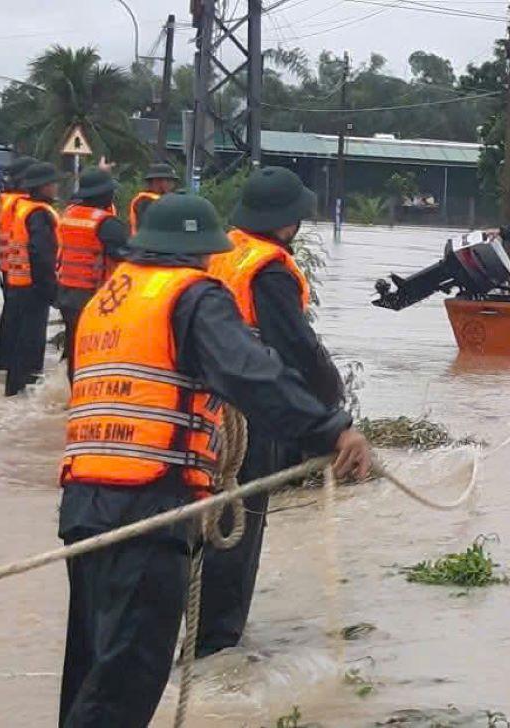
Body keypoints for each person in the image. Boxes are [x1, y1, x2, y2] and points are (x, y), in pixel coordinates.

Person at [57, 193, 373, 728]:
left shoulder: (108, 299)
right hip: (148, 507)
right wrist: (331, 429)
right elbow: (251, 374)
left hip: (84, 505)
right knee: (127, 680)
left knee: (92, 670)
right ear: (196, 251)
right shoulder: (191, 297)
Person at [199, 166, 344, 656]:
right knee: (238, 525)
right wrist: (330, 406)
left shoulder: (224, 251)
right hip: (249, 414)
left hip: (204, 409)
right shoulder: (270, 271)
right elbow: (297, 346)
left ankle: (196, 630)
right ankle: (218, 648)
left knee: (206, 518)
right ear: (288, 222)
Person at [56, 168, 128, 380]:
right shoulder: (106, 223)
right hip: (93, 296)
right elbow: (127, 255)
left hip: (66, 292)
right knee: (95, 349)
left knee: (74, 347)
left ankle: (73, 389)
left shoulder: (69, 214)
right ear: (104, 194)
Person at [4, 162, 61, 396]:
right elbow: (41, 255)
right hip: (34, 288)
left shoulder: (23, 208)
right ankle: (24, 395)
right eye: (53, 183)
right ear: (44, 187)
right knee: (31, 346)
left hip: (17, 284)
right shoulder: (39, 214)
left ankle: (14, 393)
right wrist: (51, 291)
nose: (56, 187)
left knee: (19, 344)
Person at [0, 157, 37, 372]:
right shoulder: (21, 203)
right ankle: (16, 368)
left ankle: (5, 366)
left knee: (9, 319)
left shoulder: (8, 199)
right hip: (20, 271)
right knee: (21, 324)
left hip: (8, 267)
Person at [129, 162, 179, 234]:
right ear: (155, 182)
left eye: (171, 181)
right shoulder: (145, 201)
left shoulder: (169, 199)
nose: (171, 184)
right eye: (168, 181)